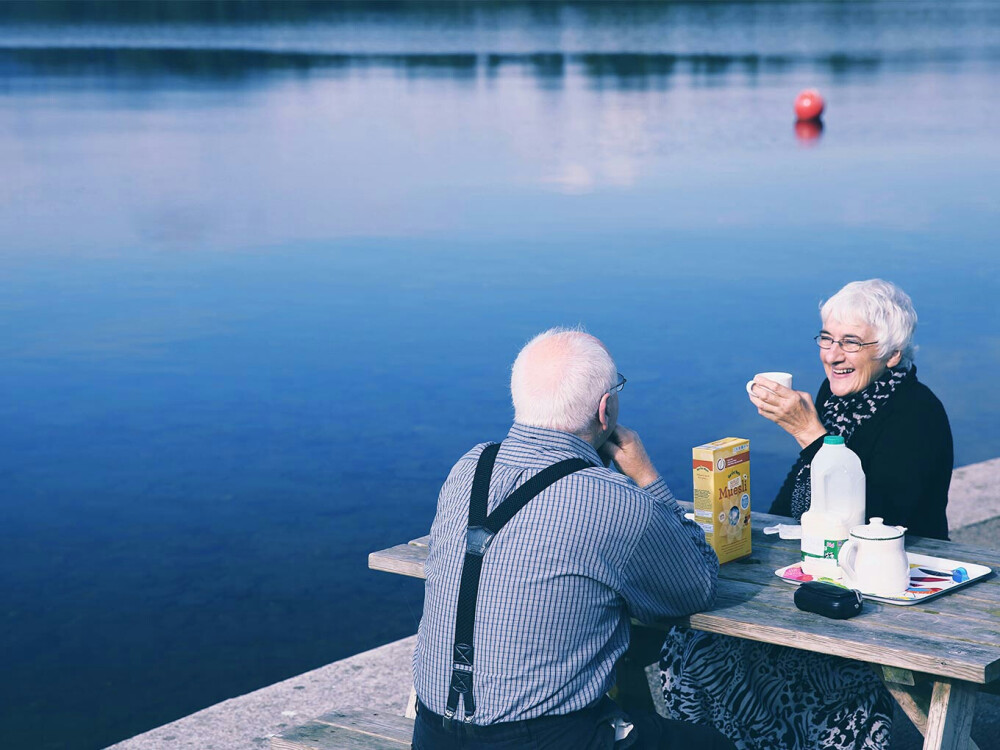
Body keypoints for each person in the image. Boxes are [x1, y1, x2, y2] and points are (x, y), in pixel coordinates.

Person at [658, 279, 953, 750]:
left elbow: (876, 524)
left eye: (852, 342)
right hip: (820, 570)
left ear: (893, 355)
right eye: (827, 338)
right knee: (692, 638)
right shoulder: (841, 397)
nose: (832, 355)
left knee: (795, 667)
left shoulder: (918, 416)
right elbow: (800, 497)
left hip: (883, 588)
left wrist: (810, 435)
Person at [412, 328, 735, 749]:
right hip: (544, 740)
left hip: (434, 735)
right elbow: (696, 589)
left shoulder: (468, 468)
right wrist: (648, 479)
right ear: (606, 410)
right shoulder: (617, 501)